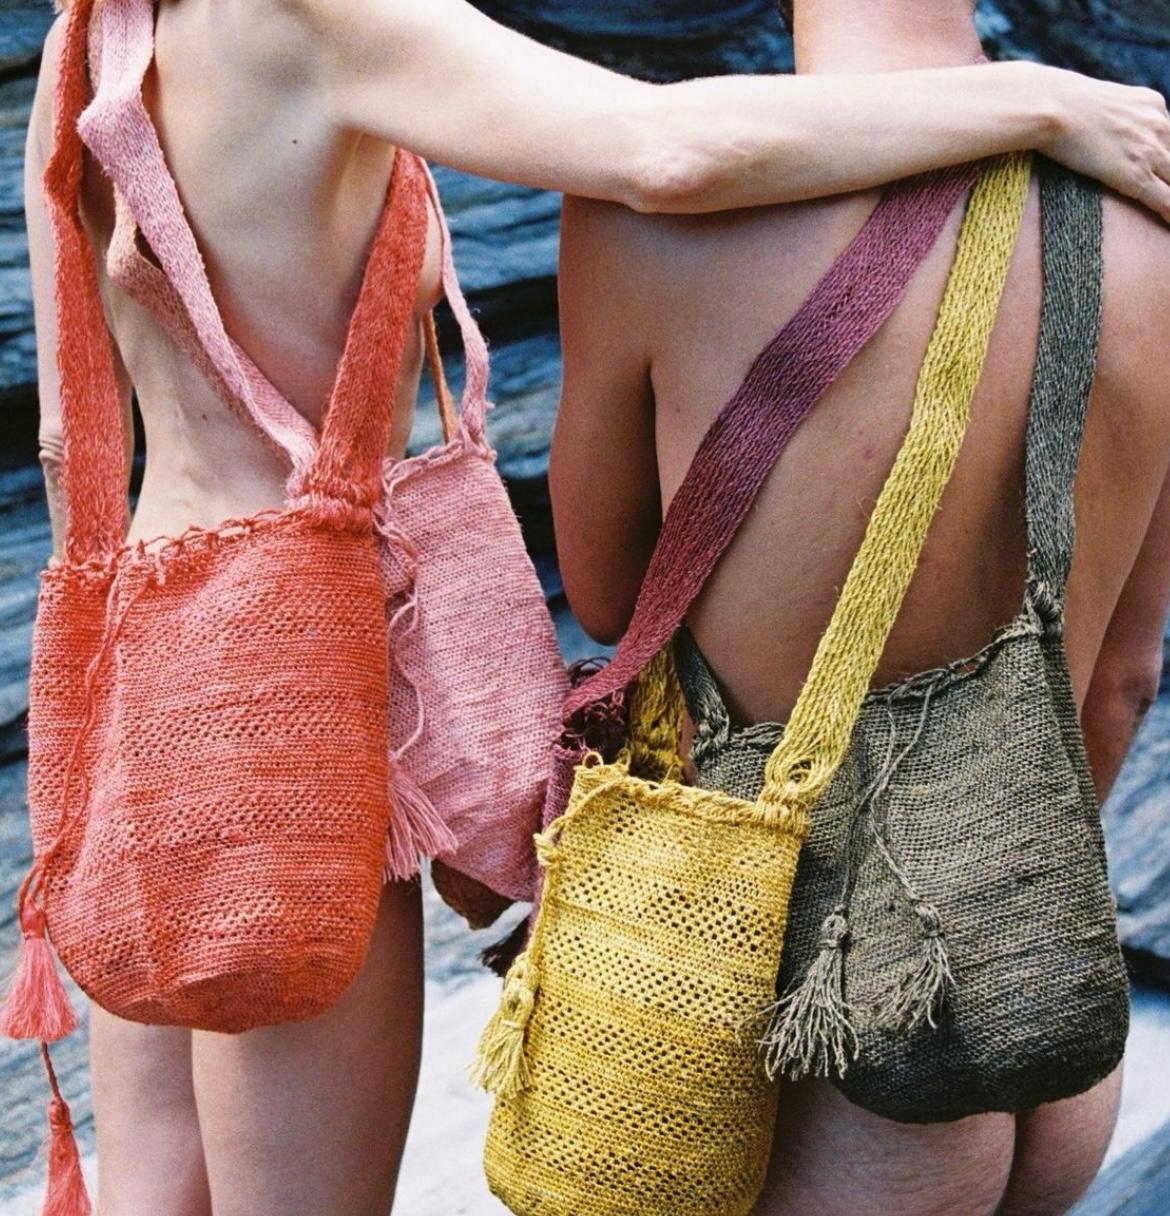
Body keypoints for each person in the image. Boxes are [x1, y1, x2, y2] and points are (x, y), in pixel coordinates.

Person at [22, 0, 1170, 1213]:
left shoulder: (94, 37)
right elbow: (661, 151)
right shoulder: (314, 9)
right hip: (285, 681)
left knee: (155, 1180)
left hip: (149, 641)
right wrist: (1046, 102)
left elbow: (66, 434)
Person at [550, 3, 1170, 1215]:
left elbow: (612, 593)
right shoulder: (1145, 212)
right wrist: (990, 903)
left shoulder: (653, 202)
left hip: (804, 1033)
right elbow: (1123, 678)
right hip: (1040, 995)